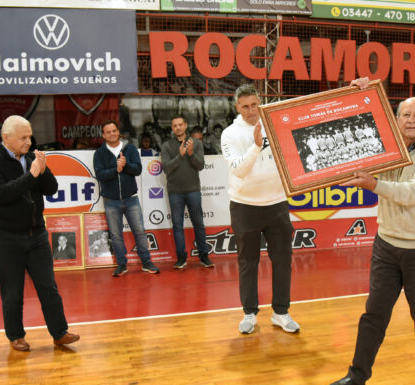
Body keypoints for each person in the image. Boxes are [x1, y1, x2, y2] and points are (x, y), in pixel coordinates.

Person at [327, 79, 415, 385]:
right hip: (387, 246)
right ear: (395, 119)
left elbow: (412, 193)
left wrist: (374, 185)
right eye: (405, 114)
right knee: (374, 314)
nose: (411, 120)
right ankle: (357, 375)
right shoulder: (384, 145)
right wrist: (359, 97)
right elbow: (352, 134)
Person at [0, 115, 79, 352]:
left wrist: (42, 171)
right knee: (12, 291)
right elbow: (2, 195)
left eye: (30, 136)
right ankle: (16, 336)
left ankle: (60, 333)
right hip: (5, 238)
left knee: (48, 287)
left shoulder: (33, 158)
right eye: (23, 137)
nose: (28, 141)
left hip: (36, 235)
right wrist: (31, 175)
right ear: (6, 137)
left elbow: (51, 189)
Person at [221, 84, 299, 335]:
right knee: (248, 262)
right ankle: (249, 313)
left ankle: (281, 313)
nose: (251, 110)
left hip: (277, 203)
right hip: (245, 207)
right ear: (237, 107)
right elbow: (239, 170)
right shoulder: (230, 134)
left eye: (254, 104)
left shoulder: (274, 124)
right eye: (245, 106)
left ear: (259, 102)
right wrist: (256, 146)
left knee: (283, 260)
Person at [93, 120, 160, 276]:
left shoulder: (130, 149)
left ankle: (146, 262)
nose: (112, 134)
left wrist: (126, 165)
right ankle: (122, 264)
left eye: (114, 131)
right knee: (116, 235)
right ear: (103, 135)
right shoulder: (99, 153)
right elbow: (100, 175)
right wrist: (115, 169)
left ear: (119, 132)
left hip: (131, 199)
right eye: (108, 132)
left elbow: (138, 169)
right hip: (111, 201)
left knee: (140, 232)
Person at [161, 115, 214, 269]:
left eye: (180, 124)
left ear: (185, 125)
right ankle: (181, 258)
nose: (177, 127)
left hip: (193, 190)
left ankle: (204, 256)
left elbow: (200, 166)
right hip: (175, 192)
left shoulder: (196, 143)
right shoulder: (167, 146)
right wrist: (180, 155)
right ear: (172, 128)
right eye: (174, 125)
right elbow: (166, 168)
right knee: (177, 226)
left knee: (199, 224)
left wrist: (190, 153)